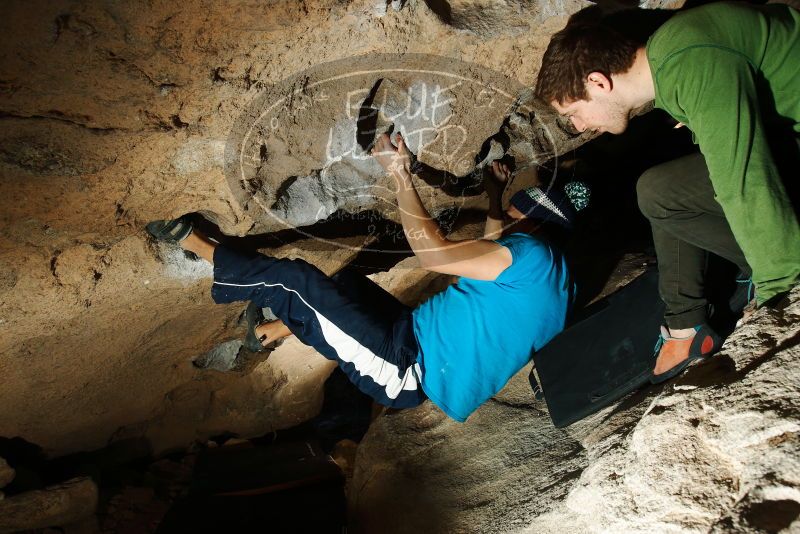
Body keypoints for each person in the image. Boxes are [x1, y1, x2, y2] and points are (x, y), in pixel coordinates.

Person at [147, 133, 581, 422]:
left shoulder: (532, 254)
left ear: (538, 225)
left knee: (294, 282)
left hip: (404, 368)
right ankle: (266, 333)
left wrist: (399, 173)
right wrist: (491, 195)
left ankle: (194, 245)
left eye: (515, 211)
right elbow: (491, 253)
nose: (507, 216)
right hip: (411, 334)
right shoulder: (555, 277)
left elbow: (434, 256)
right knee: (348, 288)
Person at [535, 2, 800, 382]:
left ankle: (782, 267)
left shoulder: (692, 60)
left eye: (573, 113)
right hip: (788, 138)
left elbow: (742, 180)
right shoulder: (670, 59)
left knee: (729, 179)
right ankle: (688, 324)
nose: (579, 126)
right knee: (659, 190)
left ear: (597, 82)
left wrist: (782, 296)